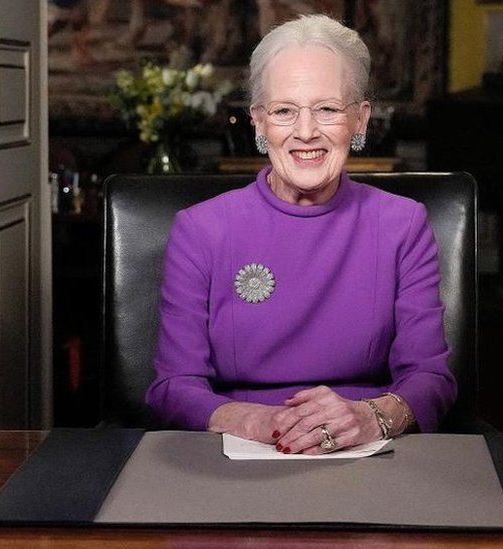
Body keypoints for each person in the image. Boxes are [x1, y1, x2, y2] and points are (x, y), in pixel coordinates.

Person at [146, 14, 456, 454]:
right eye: (284, 110)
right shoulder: (200, 229)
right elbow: (173, 386)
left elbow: (431, 379)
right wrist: (260, 422)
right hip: (237, 452)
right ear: (258, 122)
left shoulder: (403, 224)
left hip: (366, 454)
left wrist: (371, 417)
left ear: (360, 120)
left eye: (328, 109)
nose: (306, 132)